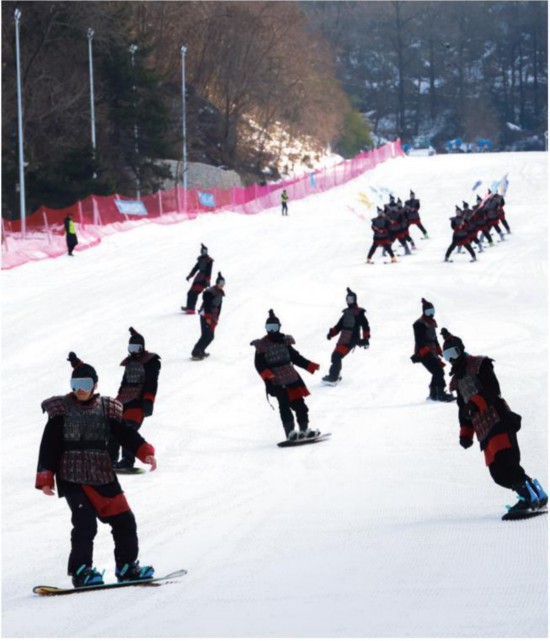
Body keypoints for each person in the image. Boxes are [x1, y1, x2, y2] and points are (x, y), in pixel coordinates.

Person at [35, 352, 157, 587]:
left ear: (95, 385)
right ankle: (82, 571)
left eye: (86, 384)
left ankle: (127, 566)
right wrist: (46, 477)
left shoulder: (107, 409)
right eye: (76, 385)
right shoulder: (61, 410)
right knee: (85, 524)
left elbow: (124, 433)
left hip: (102, 473)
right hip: (72, 474)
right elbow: (48, 445)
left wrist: (144, 451)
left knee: (125, 520)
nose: (80, 390)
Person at [441, 328, 547, 518]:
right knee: (500, 471)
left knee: (505, 465)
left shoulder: (479, 365)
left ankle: (529, 497)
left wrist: (474, 404)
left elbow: (493, 389)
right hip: (484, 429)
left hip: (498, 420)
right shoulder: (457, 381)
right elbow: (463, 410)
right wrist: (465, 434)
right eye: (447, 356)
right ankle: (535, 493)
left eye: (454, 353)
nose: (451, 359)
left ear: (461, 349)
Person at [251, 309, 320, 441]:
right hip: (276, 381)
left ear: (279, 327)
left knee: (300, 405)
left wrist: (309, 365)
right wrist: (268, 376)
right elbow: (259, 364)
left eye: (274, 327)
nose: (271, 331)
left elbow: (295, 357)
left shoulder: (285, 341)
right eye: (269, 327)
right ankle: (290, 433)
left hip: (292, 378)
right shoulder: (261, 345)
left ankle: (304, 430)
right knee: (284, 405)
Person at [112, 327, 161, 471]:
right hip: (123, 401)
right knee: (114, 428)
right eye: (131, 348)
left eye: (136, 348)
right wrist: (116, 400)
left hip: (138, 401)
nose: (133, 351)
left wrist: (148, 400)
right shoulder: (128, 363)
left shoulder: (150, 361)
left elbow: (152, 383)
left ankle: (127, 460)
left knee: (129, 428)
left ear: (142, 347)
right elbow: (124, 383)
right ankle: (110, 459)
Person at [323, 287, 370, 384]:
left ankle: (334, 377)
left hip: (352, 339)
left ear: (355, 300)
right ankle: (336, 375)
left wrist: (366, 339)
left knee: (336, 356)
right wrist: (331, 333)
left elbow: (365, 326)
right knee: (335, 356)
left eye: (351, 299)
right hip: (343, 338)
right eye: (348, 299)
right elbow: (339, 326)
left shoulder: (359, 313)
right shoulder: (346, 313)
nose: (349, 301)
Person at [411, 298, 454, 401]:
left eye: (432, 311)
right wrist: (427, 353)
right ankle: (440, 394)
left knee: (437, 371)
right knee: (438, 371)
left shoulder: (431, 322)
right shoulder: (419, 324)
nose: (431, 314)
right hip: (423, 352)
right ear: (424, 312)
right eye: (428, 312)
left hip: (431, 351)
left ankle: (434, 393)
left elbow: (434, 339)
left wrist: (439, 350)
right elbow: (419, 341)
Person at [191, 272, 225, 360]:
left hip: (212, 316)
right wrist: (208, 317)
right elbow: (207, 304)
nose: (222, 285)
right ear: (217, 283)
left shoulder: (220, 293)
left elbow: (219, 307)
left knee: (210, 336)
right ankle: (196, 352)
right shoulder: (210, 292)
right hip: (206, 315)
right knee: (206, 335)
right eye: (220, 283)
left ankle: (201, 350)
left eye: (223, 284)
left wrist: (216, 318)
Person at [182, 243, 214, 314]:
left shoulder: (209, 260)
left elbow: (209, 271)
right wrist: (189, 276)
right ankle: (189, 306)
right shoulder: (200, 260)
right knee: (190, 292)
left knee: (194, 292)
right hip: (198, 278)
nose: (204, 252)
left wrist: (207, 281)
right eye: (203, 251)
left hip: (203, 279)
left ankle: (191, 308)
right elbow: (195, 268)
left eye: (205, 251)